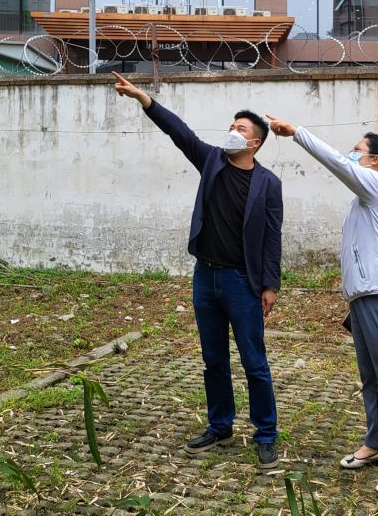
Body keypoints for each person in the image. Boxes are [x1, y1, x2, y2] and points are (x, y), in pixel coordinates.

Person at [113, 73, 282, 470]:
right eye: (231, 125)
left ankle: (266, 434)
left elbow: (272, 237)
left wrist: (271, 284)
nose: (232, 131)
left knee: (254, 363)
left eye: (241, 129)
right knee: (213, 359)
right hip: (205, 277)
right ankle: (220, 426)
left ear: (255, 143)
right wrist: (144, 99)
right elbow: (179, 132)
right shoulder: (212, 161)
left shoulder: (268, 183)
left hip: (242, 282)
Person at [266, 115, 378, 494]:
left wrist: (297, 133)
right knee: (371, 377)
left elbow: (336, 162)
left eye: (358, 150)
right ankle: (376, 443)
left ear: (374, 160)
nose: (351, 154)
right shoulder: (362, 200)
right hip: (364, 299)